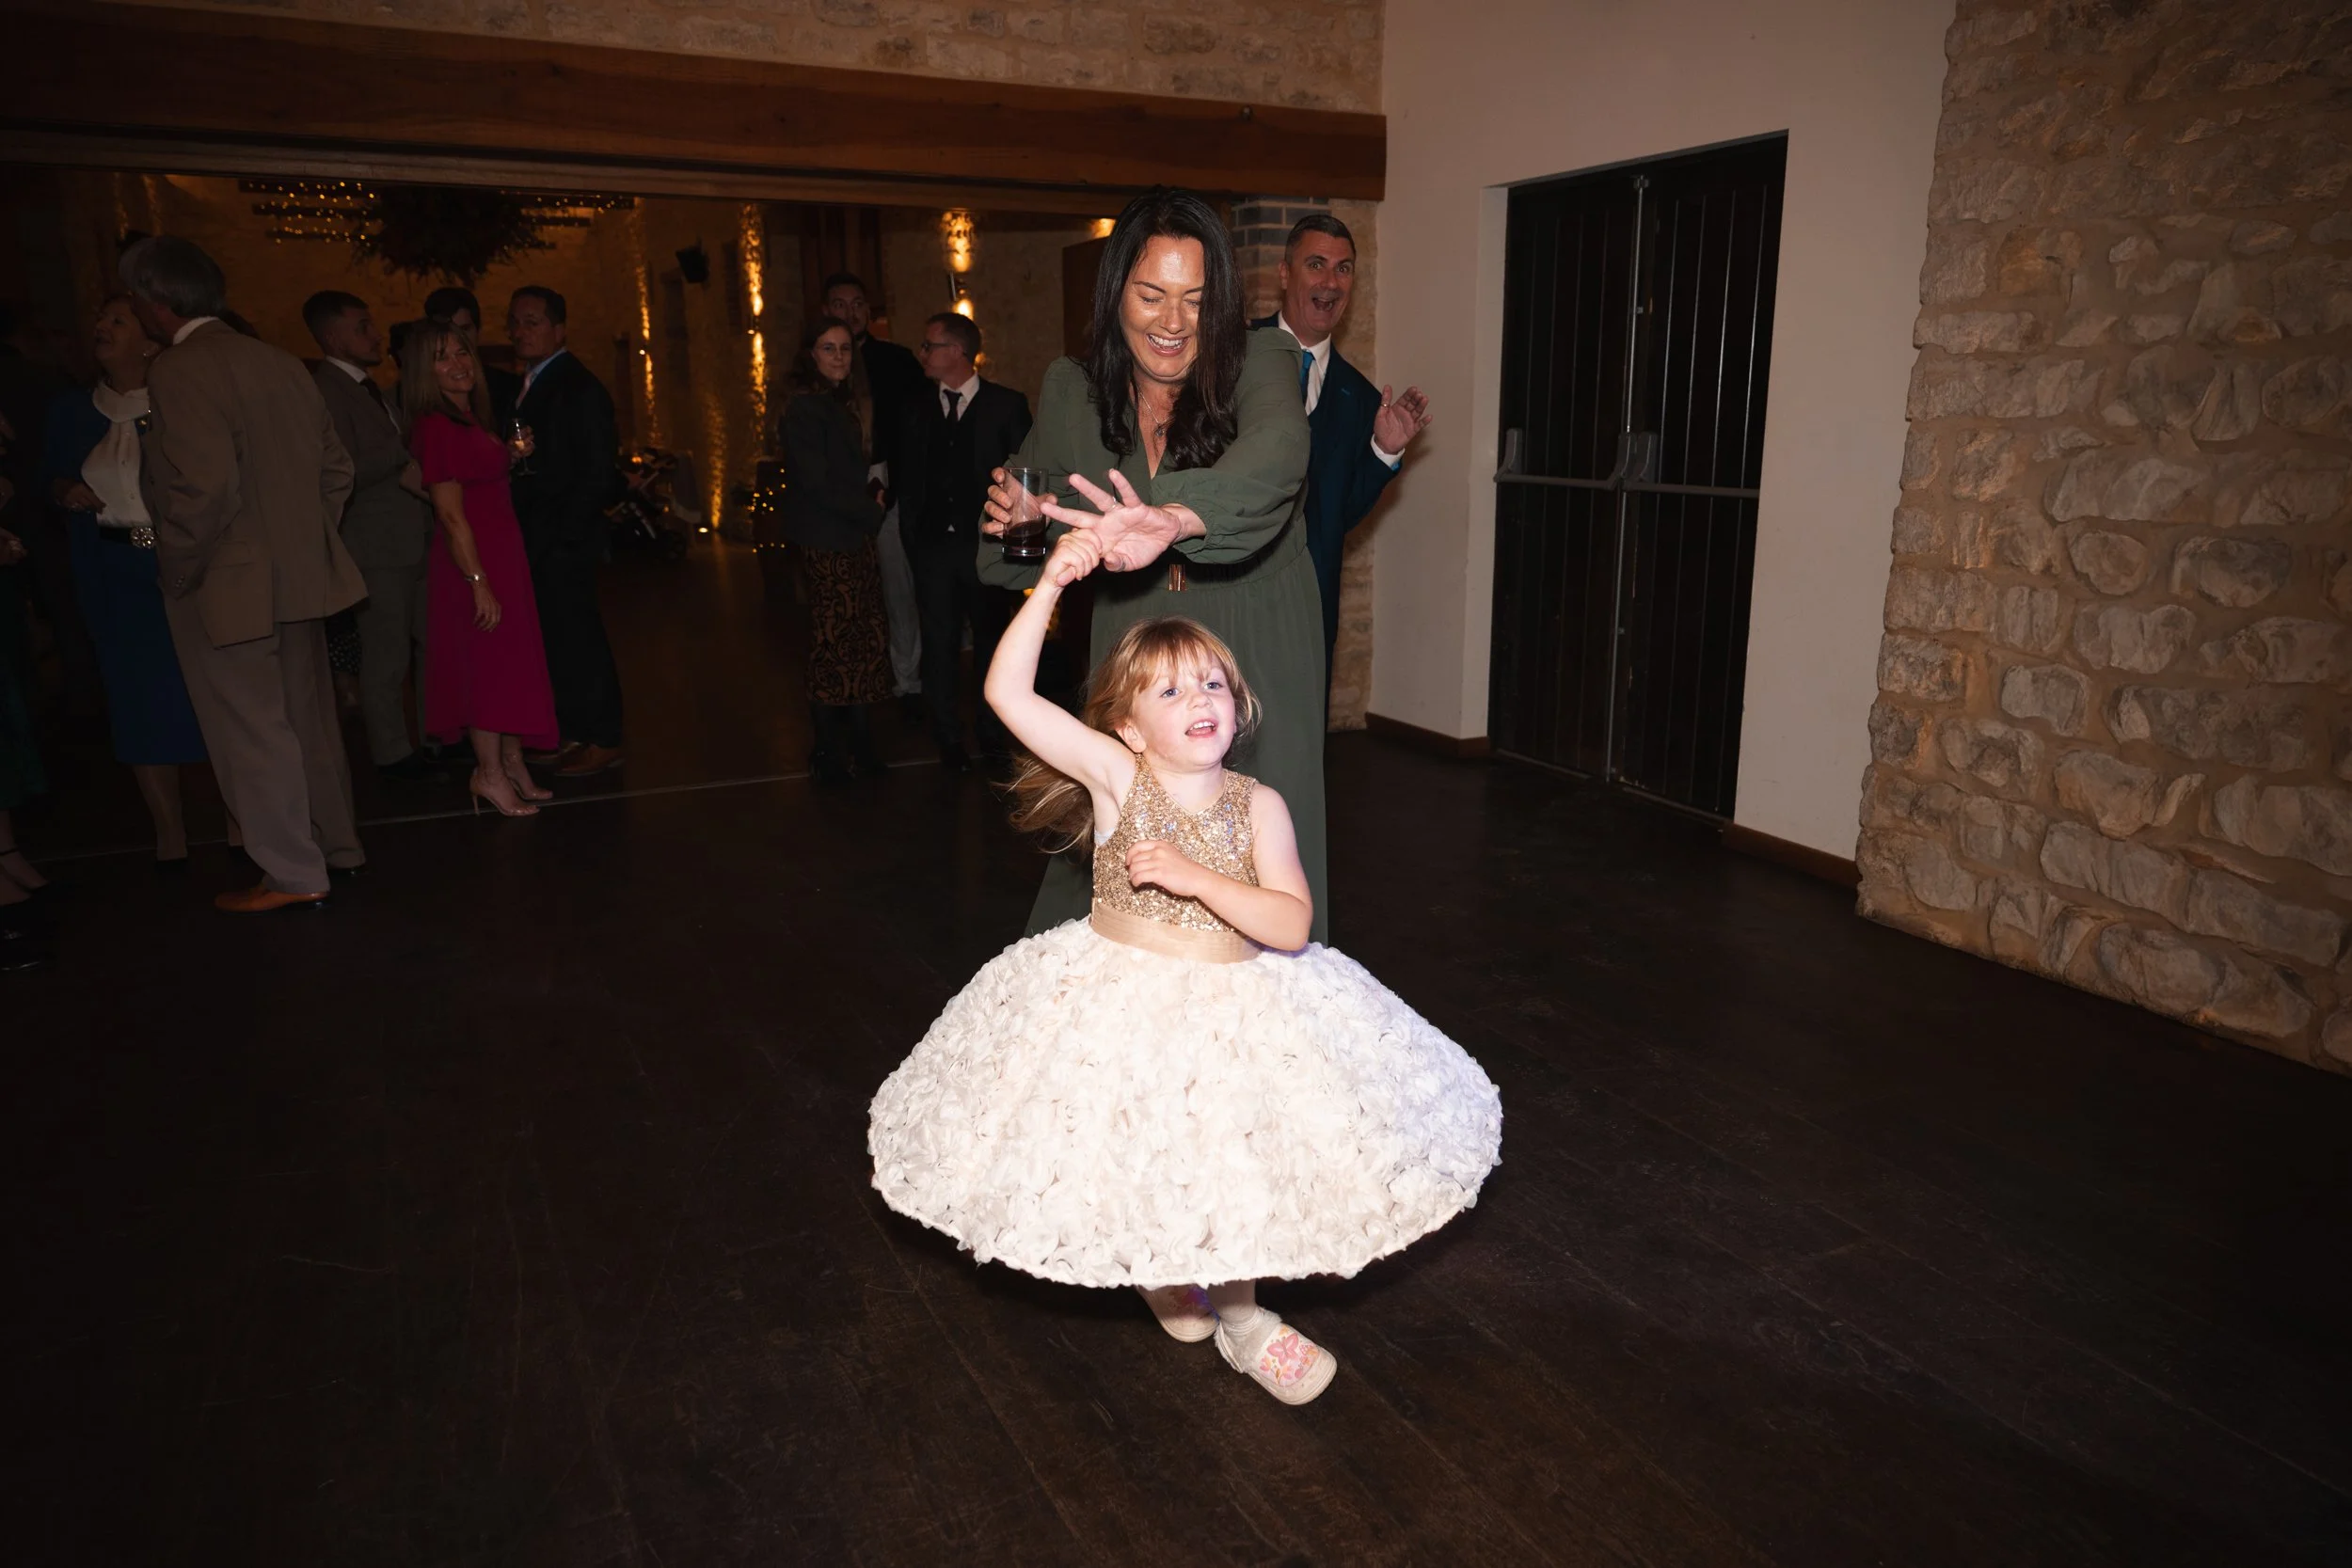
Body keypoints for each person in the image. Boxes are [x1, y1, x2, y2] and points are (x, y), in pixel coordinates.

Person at [869, 537, 1502, 1404]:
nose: (1199, 699)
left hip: (1232, 1004)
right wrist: (1050, 583)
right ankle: (1163, 1267)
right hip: (1120, 999)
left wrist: (1199, 877)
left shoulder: (1259, 805)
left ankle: (1244, 1319)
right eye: (1169, 691)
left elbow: (1290, 921)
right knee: (1139, 1138)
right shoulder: (1117, 778)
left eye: (1211, 683)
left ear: (1237, 704)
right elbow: (1007, 693)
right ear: (1129, 727)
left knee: (1224, 1153)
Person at [978, 186, 1327, 941]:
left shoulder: (1265, 362)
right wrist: (1020, 520)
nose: (1174, 322)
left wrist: (1171, 518)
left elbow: (1277, 459)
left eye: (1196, 299)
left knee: (1262, 861)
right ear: (1115, 295)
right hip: (1136, 639)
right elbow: (1023, 532)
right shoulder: (1072, 391)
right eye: (1151, 294)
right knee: (1116, 853)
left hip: (1252, 633)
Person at [122, 235, 367, 913]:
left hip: (226, 581)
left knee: (252, 734)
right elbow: (336, 471)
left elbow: (203, 490)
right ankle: (338, 848)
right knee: (308, 723)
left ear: (157, 301)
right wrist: (299, 539)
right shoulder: (280, 361)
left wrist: (177, 568)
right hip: (299, 577)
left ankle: (292, 873)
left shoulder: (179, 369)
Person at [42, 294, 208, 863]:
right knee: (136, 701)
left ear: (150, 342)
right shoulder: (72, 409)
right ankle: (169, 833)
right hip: (114, 570)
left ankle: (240, 820)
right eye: (100, 318)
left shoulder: (179, 402)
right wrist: (63, 490)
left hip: (181, 567)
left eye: (118, 320)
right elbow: (49, 476)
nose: (101, 326)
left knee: (209, 692)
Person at [1250, 214, 1433, 685]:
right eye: (1316, 264)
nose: (1330, 282)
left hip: (1309, 611)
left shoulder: (1362, 399)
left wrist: (1383, 452)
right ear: (1285, 273)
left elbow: (1339, 514)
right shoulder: (1231, 355)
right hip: (1230, 601)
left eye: (1343, 268)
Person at [402, 319, 559, 817]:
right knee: (488, 668)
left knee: (508, 663)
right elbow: (450, 514)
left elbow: (476, 480)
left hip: (500, 555)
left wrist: (507, 456)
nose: (459, 364)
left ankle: (510, 763)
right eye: (443, 357)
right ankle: (488, 774)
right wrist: (478, 582)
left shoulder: (467, 418)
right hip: (473, 562)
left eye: (462, 352)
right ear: (424, 371)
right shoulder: (437, 424)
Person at [305, 290, 437, 781]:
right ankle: (392, 753)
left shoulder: (367, 387)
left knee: (428, 646)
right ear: (332, 337)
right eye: (362, 327)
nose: (376, 335)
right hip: (376, 546)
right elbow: (341, 472)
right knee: (386, 655)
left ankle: (435, 738)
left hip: (410, 537)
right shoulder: (325, 392)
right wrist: (403, 446)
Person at [894, 310, 1030, 771]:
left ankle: (992, 735)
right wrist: (914, 541)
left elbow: (1023, 483)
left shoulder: (1006, 405)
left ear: (956, 352)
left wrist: (1018, 552)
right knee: (939, 644)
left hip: (987, 550)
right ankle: (948, 738)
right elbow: (907, 480)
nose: (922, 354)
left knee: (994, 645)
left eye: (929, 346)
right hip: (933, 549)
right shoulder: (914, 408)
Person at [505, 286, 623, 777]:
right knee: (559, 640)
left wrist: (565, 537)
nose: (520, 332)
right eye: (514, 322)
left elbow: (597, 472)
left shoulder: (578, 386)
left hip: (563, 539)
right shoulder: (534, 381)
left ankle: (604, 737)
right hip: (544, 537)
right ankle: (574, 730)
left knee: (579, 639)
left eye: (532, 322)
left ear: (559, 329)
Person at [779, 316, 890, 784]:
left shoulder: (841, 401)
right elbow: (816, 482)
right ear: (811, 354)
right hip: (828, 540)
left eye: (845, 348)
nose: (839, 356)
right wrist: (870, 510)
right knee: (833, 644)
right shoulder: (805, 407)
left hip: (851, 536)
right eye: (828, 348)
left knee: (860, 641)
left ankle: (859, 743)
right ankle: (827, 749)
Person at [821, 272, 925, 706]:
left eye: (858, 303)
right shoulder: (817, 369)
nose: (851, 312)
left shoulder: (897, 360)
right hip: (835, 496)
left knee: (898, 589)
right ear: (827, 311)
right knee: (848, 593)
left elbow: (918, 427)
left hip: (891, 487)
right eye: (840, 304)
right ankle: (860, 680)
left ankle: (907, 680)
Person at [421, 286, 520, 414]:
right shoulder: (419, 395)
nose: (458, 339)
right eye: (449, 332)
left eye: (464, 329)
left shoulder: (508, 387)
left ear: (477, 329)